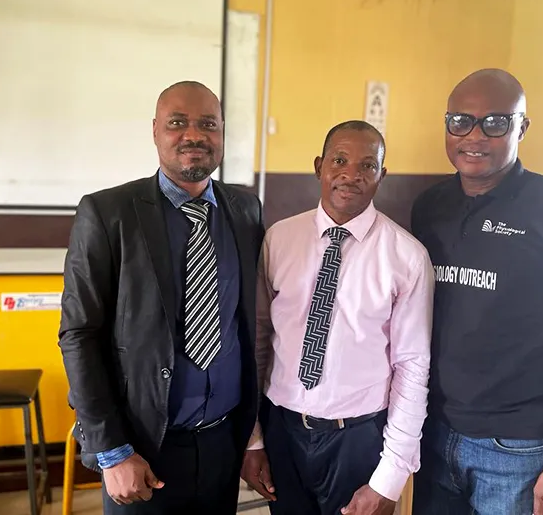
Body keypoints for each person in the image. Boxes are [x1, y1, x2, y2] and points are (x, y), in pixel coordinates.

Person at [410, 69, 543, 515]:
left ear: (522, 126)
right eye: (459, 121)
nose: (474, 136)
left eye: (496, 122)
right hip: (430, 431)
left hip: (516, 448)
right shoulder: (429, 207)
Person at [58, 80, 265, 514]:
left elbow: (248, 324)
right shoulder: (107, 213)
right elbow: (79, 334)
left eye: (208, 124)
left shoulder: (246, 211)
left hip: (223, 442)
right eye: (177, 123)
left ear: (223, 132)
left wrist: (253, 437)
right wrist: (112, 449)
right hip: (141, 450)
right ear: (155, 131)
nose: (194, 135)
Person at [242, 120, 434, 515]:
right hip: (282, 428)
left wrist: (390, 477)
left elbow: (412, 367)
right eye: (340, 160)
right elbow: (258, 341)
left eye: (368, 165)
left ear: (382, 174)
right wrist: (254, 438)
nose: (351, 174)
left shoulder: (407, 257)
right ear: (319, 167)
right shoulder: (280, 239)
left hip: (359, 438)